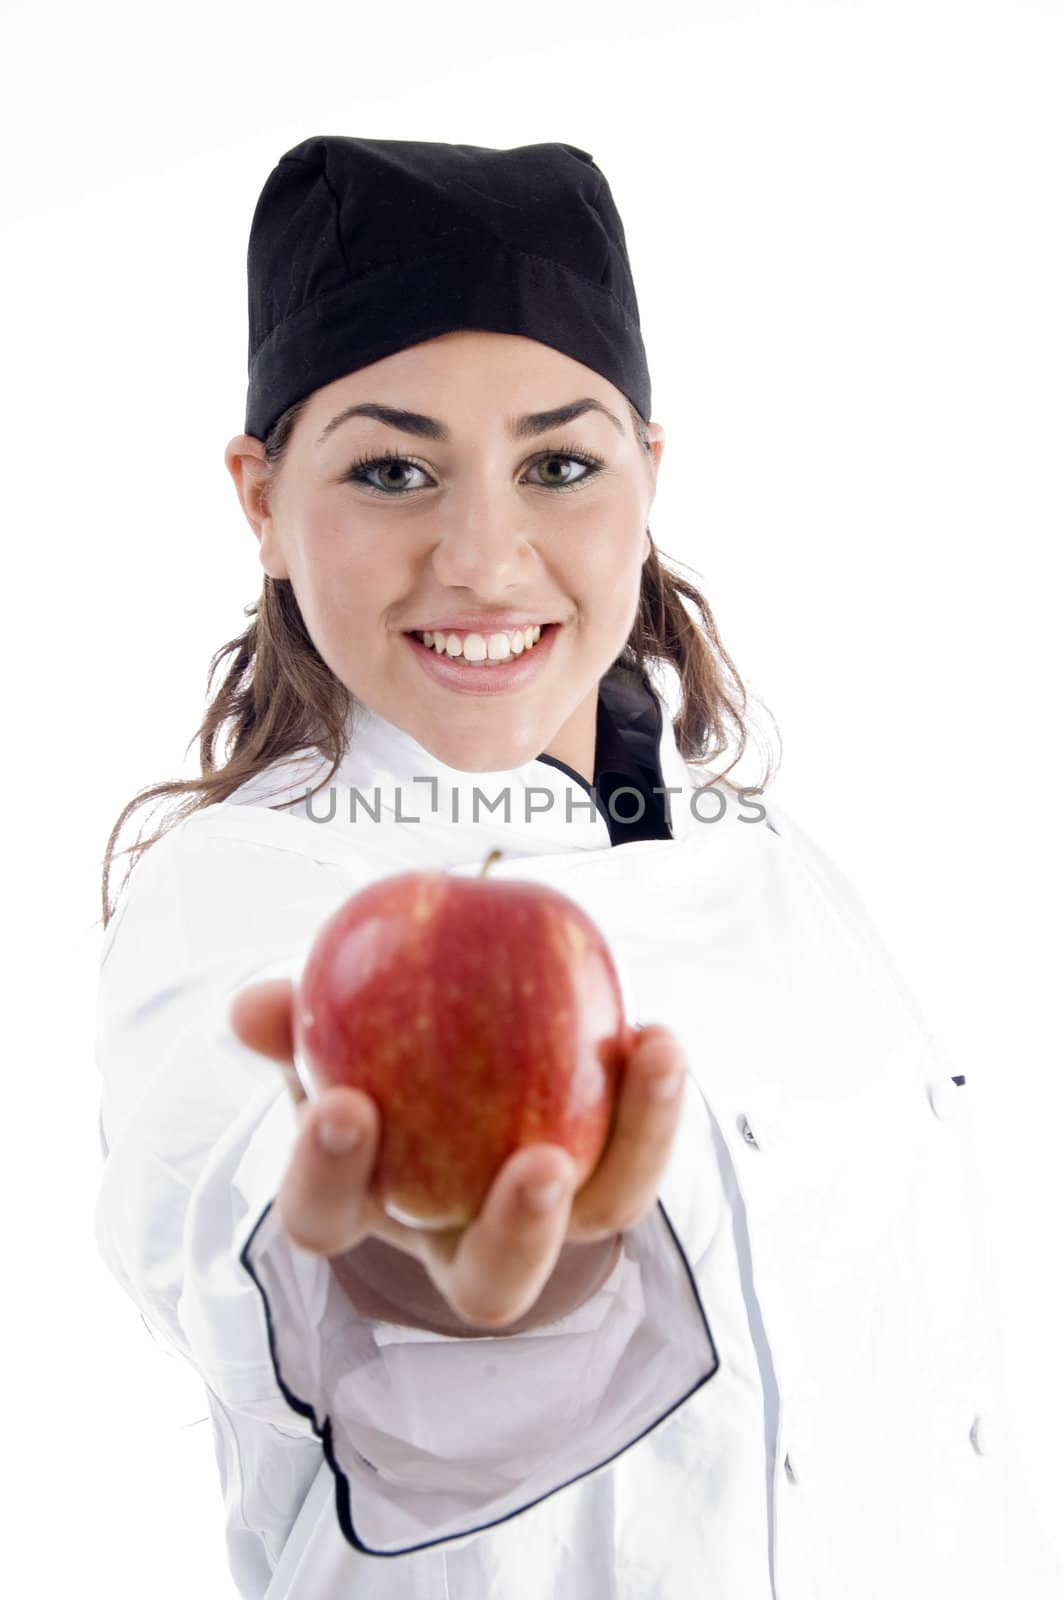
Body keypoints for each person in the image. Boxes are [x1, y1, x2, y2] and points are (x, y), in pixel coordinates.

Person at [94, 135, 1063, 1599]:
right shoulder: (237, 894)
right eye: (392, 469)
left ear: (648, 475)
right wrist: (426, 1276)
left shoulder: (774, 860)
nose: (486, 556)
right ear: (261, 499)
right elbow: (255, 1211)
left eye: (559, 464)